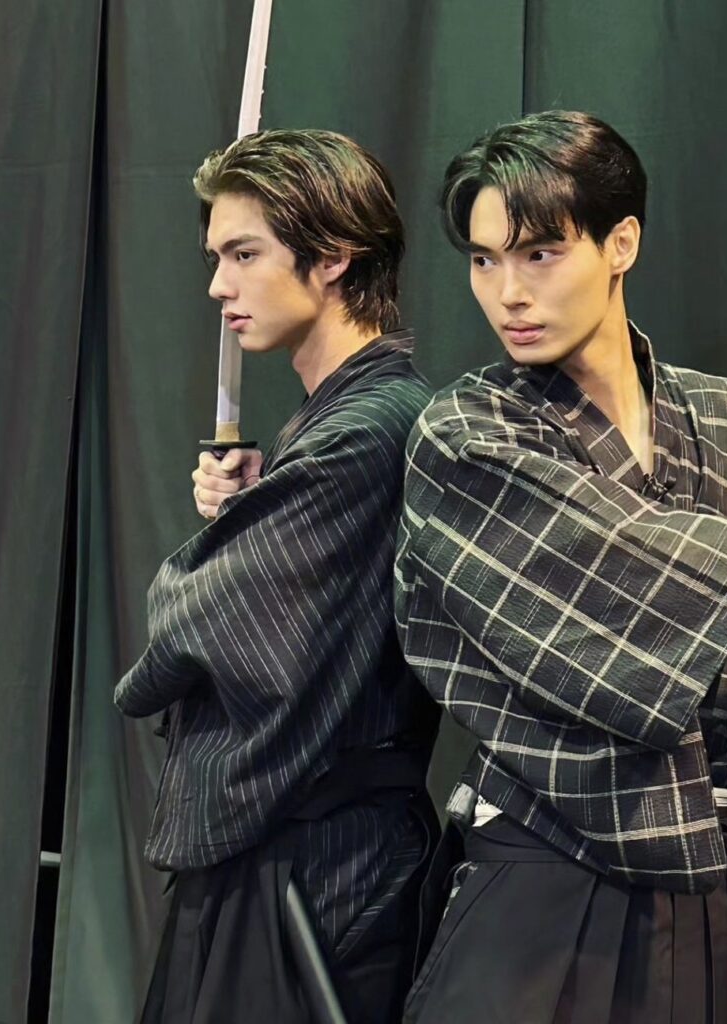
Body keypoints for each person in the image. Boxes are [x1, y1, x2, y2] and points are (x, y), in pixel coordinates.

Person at [395, 110, 727, 1023]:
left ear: (621, 243)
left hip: (718, 886)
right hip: (543, 886)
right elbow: (651, 588)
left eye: (538, 254)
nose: (506, 293)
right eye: (483, 260)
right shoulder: (467, 437)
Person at [114, 128, 440, 1024]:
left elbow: (191, 627)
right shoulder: (339, 424)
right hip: (307, 856)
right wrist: (253, 514)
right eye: (217, 257)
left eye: (244, 253)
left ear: (332, 256)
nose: (218, 286)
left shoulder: (366, 429)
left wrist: (214, 554)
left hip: (317, 870)